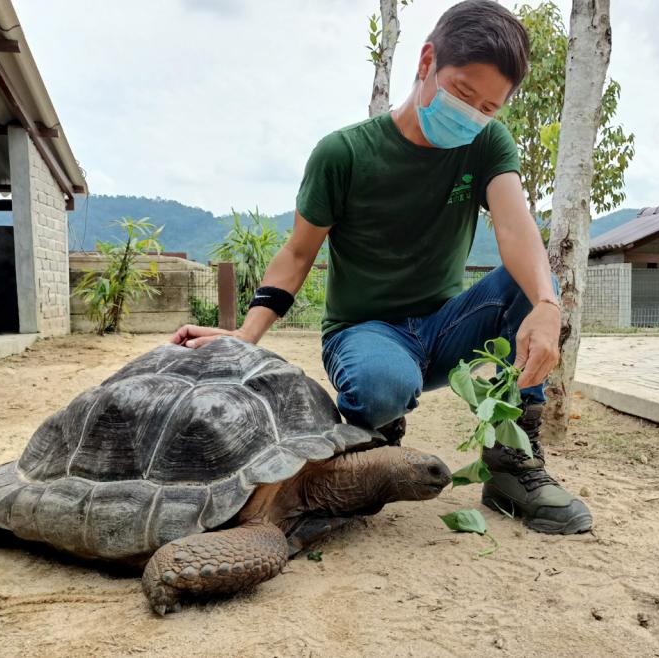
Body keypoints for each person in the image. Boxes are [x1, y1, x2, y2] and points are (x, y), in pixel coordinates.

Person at [171, 0, 592, 535]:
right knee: (381, 385)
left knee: (534, 288)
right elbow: (297, 254)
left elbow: (514, 226)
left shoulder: (486, 144)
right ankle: (374, 447)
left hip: (445, 327)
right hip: (365, 332)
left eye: (488, 107)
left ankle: (512, 462)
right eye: (463, 93)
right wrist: (244, 337)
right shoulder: (344, 153)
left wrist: (548, 306)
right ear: (426, 62)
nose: (472, 115)